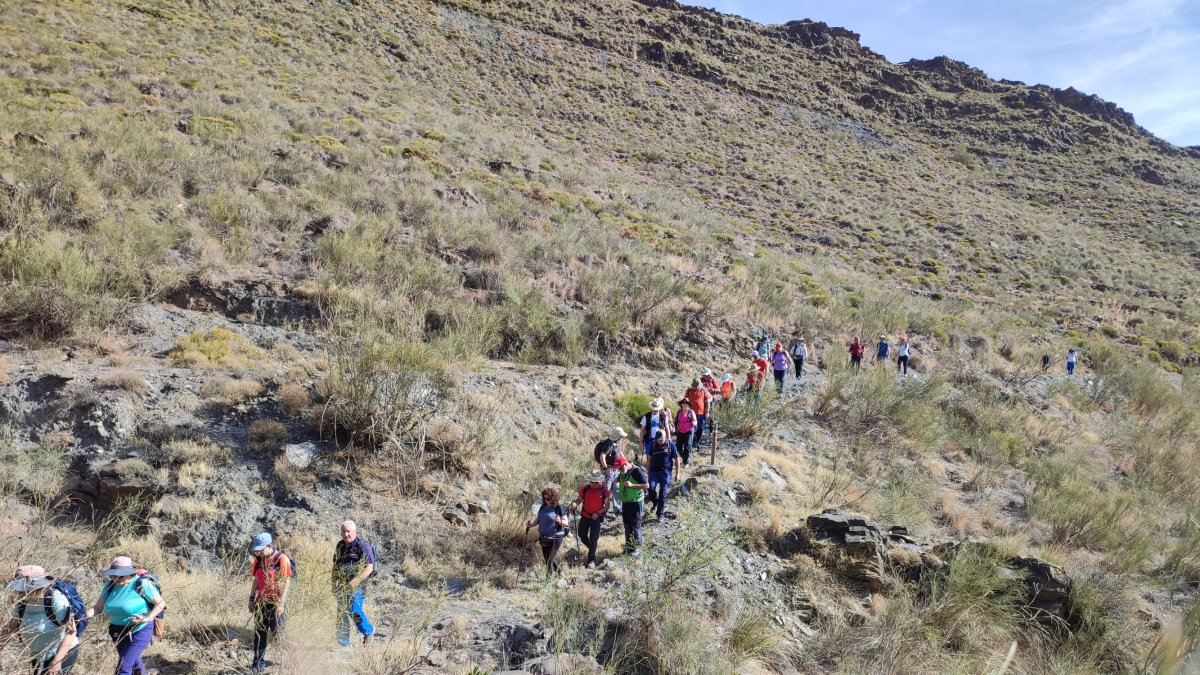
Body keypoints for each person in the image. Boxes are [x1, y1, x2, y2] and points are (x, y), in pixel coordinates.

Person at [92, 556, 165, 675]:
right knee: (134, 662)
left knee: (123, 667)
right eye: (113, 575)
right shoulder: (110, 585)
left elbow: (161, 603)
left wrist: (147, 618)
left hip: (140, 629)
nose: (116, 579)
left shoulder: (141, 584)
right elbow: (97, 608)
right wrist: (81, 616)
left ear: (129, 573)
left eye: (120, 576)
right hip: (117, 631)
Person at [2, 566, 79, 675]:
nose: (18, 591)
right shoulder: (22, 604)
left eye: (22, 587)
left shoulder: (56, 599)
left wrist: (57, 661)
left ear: (34, 586)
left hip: (62, 653)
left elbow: (71, 633)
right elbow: (8, 630)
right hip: (39, 655)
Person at [248, 533, 292, 673]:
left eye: (261, 549)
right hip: (261, 602)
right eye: (257, 549)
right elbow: (256, 580)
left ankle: (290, 661)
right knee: (259, 634)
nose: (258, 552)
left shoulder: (281, 559)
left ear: (269, 546)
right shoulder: (258, 560)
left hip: (277, 603)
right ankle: (257, 664)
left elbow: (286, 582)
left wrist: (282, 604)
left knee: (279, 634)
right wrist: (251, 598)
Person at [332, 521, 376, 648]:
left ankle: (368, 631)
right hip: (342, 584)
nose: (346, 534)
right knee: (341, 613)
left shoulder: (363, 545)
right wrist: (333, 584)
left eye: (348, 531)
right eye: (343, 532)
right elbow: (335, 567)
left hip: (358, 585)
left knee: (355, 610)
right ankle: (342, 644)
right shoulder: (340, 546)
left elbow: (369, 567)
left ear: (354, 531)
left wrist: (356, 580)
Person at [526, 486, 569, 576]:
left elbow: (566, 523)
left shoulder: (559, 507)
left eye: (548, 498)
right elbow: (538, 519)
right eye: (545, 498)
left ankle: (548, 579)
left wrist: (559, 520)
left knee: (550, 558)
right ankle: (560, 572)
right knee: (547, 558)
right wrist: (530, 526)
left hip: (556, 536)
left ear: (554, 498)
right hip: (543, 537)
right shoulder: (543, 506)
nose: (546, 500)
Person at [569, 473, 609, 567]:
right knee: (581, 535)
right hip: (585, 515)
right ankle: (592, 549)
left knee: (593, 538)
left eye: (595, 482)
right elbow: (579, 499)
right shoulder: (585, 488)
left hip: (596, 517)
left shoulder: (603, 490)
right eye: (591, 482)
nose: (593, 484)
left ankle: (592, 559)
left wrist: (598, 513)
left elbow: (607, 505)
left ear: (598, 481)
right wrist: (575, 503)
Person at [645, 429, 680, 521]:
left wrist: (677, 473)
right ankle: (655, 502)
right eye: (658, 439)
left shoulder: (670, 444)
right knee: (650, 488)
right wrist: (647, 472)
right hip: (654, 471)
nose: (660, 440)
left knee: (663, 492)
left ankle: (660, 514)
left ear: (665, 437)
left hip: (666, 472)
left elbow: (677, 459)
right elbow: (649, 458)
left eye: (661, 439)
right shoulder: (653, 445)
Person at [617, 455, 650, 555]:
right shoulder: (623, 471)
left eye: (621, 468)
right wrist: (617, 480)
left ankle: (636, 548)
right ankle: (629, 547)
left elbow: (646, 485)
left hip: (636, 503)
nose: (620, 470)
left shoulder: (637, 471)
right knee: (627, 526)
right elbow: (621, 477)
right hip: (626, 503)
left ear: (626, 464)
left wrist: (632, 485)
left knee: (635, 526)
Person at [594, 427, 627, 516]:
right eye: (621, 436)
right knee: (606, 490)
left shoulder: (616, 443)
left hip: (616, 470)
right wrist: (605, 468)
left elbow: (619, 453)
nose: (622, 438)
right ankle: (602, 509)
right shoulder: (609, 443)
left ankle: (617, 509)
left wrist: (624, 461)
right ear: (617, 436)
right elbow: (602, 455)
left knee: (616, 489)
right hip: (609, 471)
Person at [683, 379, 708, 448]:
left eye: (697, 386)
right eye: (695, 386)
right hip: (691, 414)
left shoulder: (703, 390)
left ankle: (696, 442)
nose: (696, 388)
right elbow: (685, 401)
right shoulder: (689, 391)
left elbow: (708, 400)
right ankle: (693, 444)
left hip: (701, 414)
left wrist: (707, 411)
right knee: (692, 428)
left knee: (700, 428)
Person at [674, 399, 696, 467]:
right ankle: (684, 457)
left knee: (687, 446)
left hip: (689, 431)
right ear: (681, 404)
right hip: (680, 430)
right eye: (683, 403)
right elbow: (676, 421)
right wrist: (675, 428)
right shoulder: (679, 412)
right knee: (678, 446)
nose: (685, 404)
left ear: (688, 404)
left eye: (686, 403)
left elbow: (695, 421)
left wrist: (693, 423)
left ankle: (686, 462)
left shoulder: (691, 412)